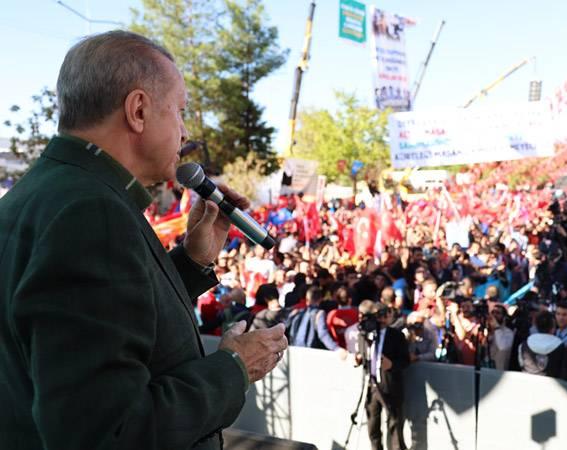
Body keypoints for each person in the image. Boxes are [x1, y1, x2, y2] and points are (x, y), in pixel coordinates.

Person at [0, 31, 287, 450]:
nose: (184, 131)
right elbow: (109, 432)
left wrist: (190, 262)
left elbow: (97, 322)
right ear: (138, 110)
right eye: (180, 111)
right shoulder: (91, 213)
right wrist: (234, 367)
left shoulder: (41, 195)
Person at [357, 302, 410, 450]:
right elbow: (362, 353)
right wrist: (359, 359)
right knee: (372, 425)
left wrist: (391, 365)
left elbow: (405, 361)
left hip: (390, 385)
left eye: (383, 315)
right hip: (371, 385)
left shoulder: (396, 336)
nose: (380, 320)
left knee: (394, 423)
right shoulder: (365, 333)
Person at [519, 311, 565, 378]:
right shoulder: (561, 345)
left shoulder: (524, 344)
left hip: (528, 383)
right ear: (553, 327)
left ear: (536, 326)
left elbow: (521, 364)